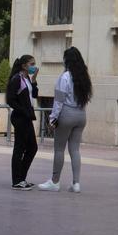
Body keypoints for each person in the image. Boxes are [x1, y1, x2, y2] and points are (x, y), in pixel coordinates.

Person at [38, 47, 93, 193]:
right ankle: (76, 183)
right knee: (75, 149)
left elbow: (59, 101)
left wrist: (53, 118)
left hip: (67, 114)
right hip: (81, 115)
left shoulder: (65, 77)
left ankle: (55, 182)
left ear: (66, 60)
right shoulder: (84, 77)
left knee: (59, 149)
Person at [5, 54, 40, 190]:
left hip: (26, 117)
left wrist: (34, 79)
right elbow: (10, 100)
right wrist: (23, 110)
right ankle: (17, 180)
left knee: (32, 147)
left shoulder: (27, 79)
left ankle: (21, 178)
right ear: (24, 65)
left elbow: (35, 95)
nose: (34, 66)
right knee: (20, 148)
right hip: (20, 117)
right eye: (32, 64)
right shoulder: (17, 79)